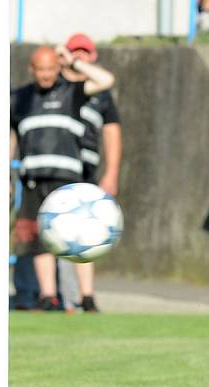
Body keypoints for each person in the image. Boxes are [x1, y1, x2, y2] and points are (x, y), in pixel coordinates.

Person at [10, 46, 114, 311]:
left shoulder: (72, 91)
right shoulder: (20, 98)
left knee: (81, 235)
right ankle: (48, 296)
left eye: (50, 69)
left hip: (68, 181)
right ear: (32, 70)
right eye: (41, 70)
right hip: (33, 179)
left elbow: (106, 80)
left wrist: (75, 63)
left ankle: (87, 297)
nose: (46, 75)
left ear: (58, 68)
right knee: (40, 238)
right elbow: (11, 137)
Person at [58, 32, 123, 313]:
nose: (80, 56)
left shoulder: (100, 92)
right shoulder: (57, 86)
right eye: (75, 51)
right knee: (57, 231)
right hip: (58, 168)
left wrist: (112, 173)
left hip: (86, 171)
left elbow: (112, 134)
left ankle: (86, 296)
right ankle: (59, 297)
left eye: (85, 52)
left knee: (87, 233)